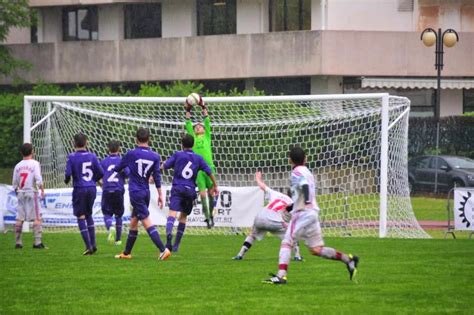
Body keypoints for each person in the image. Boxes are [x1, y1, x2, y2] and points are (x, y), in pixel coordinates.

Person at [263, 147, 359, 284]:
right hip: (312, 213)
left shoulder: (296, 172)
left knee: (286, 241)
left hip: (303, 213)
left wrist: (306, 200)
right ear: (305, 158)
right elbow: (301, 192)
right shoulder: (308, 171)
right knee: (316, 249)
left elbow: (304, 186)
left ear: (290, 159)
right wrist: (290, 207)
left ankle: (281, 276)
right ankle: (348, 260)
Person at [114, 127, 170, 260]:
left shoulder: (131, 153)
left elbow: (118, 168)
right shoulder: (155, 156)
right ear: (149, 139)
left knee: (145, 221)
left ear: (136, 139)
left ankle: (163, 249)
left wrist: (129, 169)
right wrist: (160, 194)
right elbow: (156, 176)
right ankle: (127, 253)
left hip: (135, 192)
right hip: (146, 192)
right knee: (134, 222)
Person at [162, 134, 218, 253]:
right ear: (193, 145)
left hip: (178, 188)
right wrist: (215, 185)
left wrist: (158, 166)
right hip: (190, 190)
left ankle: (168, 239)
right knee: (183, 216)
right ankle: (176, 246)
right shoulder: (198, 158)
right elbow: (209, 172)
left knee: (172, 214)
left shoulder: (178, 155)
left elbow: (165, 166)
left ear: (182, 144)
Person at [232, 171, 302, 261]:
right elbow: (290, 210)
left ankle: (240, 254)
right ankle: (297, 255)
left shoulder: (277, 194)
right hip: (274, 221)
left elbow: (262, 186)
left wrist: (258, 178)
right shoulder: (294, 203)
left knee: (252, 235)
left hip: (260, 217)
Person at [65, 133, 104, 255]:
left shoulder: (71, 157)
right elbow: (101, 172)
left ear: (73, 143)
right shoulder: (92, 156)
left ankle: (88, 247)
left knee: (81, 216)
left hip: (80, 188)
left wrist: (66, 180)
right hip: (92, 188)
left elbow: (67, 174)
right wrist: (96, 181)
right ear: (86, 142)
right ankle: (93, 244)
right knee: (89, 214)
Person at [185, 95, 217, 229]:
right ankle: (207, 218)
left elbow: (207, 120)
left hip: (209, 168)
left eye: (200, 126)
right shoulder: (192, 138)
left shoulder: (207, 136)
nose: (198, 127)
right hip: (198, 170)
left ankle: (211, 215)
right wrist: (188, 109)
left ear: (204, 129)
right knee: (202, 194)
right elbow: (187, 123)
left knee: (211, 193)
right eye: (196, 126)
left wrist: (203, 106)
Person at [12, 143, 46, 249]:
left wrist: (17, 191)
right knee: (37, 217)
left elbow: (14, 183)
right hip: (32, 192)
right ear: (32, 151)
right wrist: (42, 190)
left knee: (20, 217)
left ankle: (18, 242)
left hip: (21, 192)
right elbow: (38, 178)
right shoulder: (35, 163)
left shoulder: (17, 165)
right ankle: (37, 242)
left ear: (21, 152)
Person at [100, 140, 129, 245]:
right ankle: (118, 240)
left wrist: (101, 184)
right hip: (118, 190)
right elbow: (128, 174)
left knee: (107, 213)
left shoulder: (103, 162)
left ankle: (110, 227)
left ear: (108, 149)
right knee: (118, 215)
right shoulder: (122, 161)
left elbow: (98, 175)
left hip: (107, 189)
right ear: (119, 149)